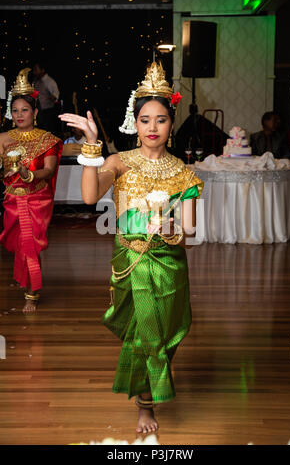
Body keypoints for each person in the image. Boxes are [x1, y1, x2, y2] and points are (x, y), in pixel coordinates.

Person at [59, 62, 204, 434]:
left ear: (172, 123)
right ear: (133, 122)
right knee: (144, 332)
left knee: (168, 332)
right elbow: (90, 197)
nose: (152, 128)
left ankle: (152, 385)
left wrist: (170, 226)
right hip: (130, 259)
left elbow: (188, 228)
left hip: (170, 261)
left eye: (160, 120)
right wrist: (91, 148)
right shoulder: (119, 162)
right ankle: (145, 403)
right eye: (144, 120)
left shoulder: (184, 173)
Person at [0, 68, 63, 313]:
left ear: (35, 112)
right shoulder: (3, 138)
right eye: (15, 110)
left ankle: (32, 293)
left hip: (37, 200)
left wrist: (29, 174)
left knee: (31, 245)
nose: (19, 115)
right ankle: (28, 284)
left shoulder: (48, 140)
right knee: (19, 245)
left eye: (24, 110)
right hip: (12, 201)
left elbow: (48, 171)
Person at [32, 61, 60, 136]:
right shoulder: (35, 81)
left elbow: (56, 97)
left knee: (48, 134)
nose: (34, 72)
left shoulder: (49, 81)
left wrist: (46, 97)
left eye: (36, 69)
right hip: (38, 112)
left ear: (42, 70)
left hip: (48, 113)